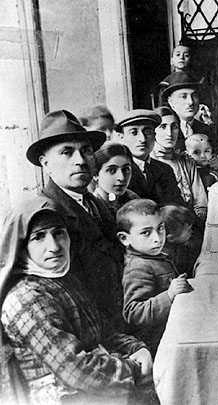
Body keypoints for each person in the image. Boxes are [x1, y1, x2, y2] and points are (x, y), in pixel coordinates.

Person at [0, 197, 155, 404]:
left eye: (59, 233)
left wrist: (137, 348)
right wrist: (133, 368)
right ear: (21, 246)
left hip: (96, 384)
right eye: (38, 237)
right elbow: (75, 369)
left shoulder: (64, 280)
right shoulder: (27, 297)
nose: (54, 246)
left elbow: (104, 332)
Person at [27, 110, 125, 331]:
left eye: (86, 151)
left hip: (120, 318)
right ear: (46, 163)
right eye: (67, 152)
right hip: (92, 331)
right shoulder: (47, 216)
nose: (80, 161)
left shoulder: (93, 201)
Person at [118, 199, 193, 355]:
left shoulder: (155, 254)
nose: (158, 238)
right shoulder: (137, 267)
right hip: (158, 341)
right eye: (146, 232)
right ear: (125, 239)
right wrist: (169, 295)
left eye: (160, 228)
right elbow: (133, 313)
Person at [113, 109, 186, 207]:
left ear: (154, 135)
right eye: (134, 133)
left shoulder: (164, 169)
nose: (142, 139)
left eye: (147, 132)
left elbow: (179, 206)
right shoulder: (116, 171)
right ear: (121, 137)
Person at [150, 106, 208, 221]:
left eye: (174, 127)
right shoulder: (149, 163)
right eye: (163, 127)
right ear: (153, 131)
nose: (170, 133)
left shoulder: (186, 160)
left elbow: (200, 202)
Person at [160, 71, 214, 152]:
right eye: (183, 97)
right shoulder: (162, 130)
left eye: (194, 96)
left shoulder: (207, 130)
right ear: (171, 102)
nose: (191, 102)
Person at [93, 141, 140, 217]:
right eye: (112, 170)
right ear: (95, 174)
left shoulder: (134, 200)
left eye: (126, 169)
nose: (121, 178)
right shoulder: (92, 208)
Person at [160, 204, 199, 277]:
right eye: (188, 230)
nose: (191, 231)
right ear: (171, 238)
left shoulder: (176, 242)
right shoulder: (170, 258)